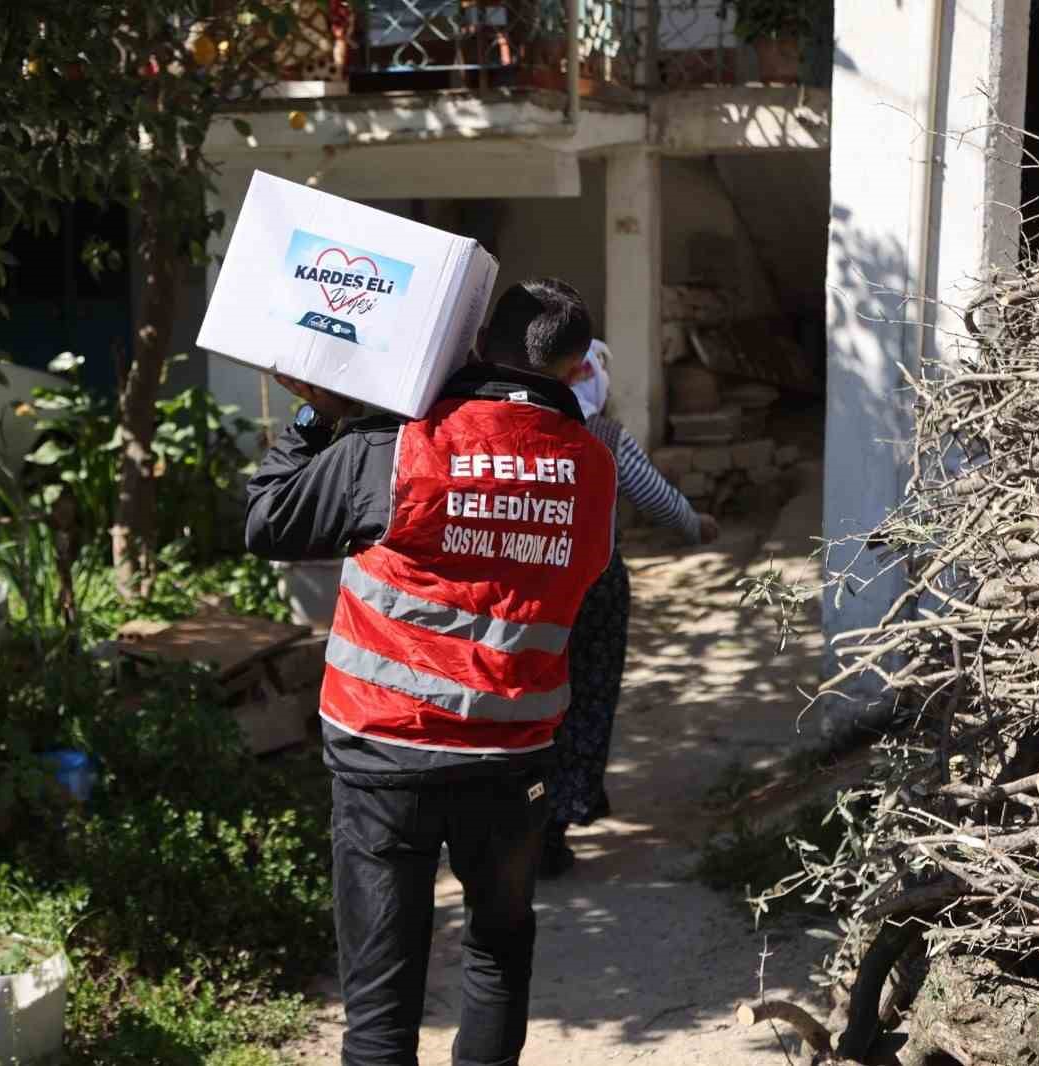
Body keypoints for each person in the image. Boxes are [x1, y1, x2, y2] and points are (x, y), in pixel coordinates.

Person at [245, 278, 620, 1066]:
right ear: (575, 366)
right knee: (498, 949)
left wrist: (320, 407)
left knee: (381, 999)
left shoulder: (399, 446)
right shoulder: (592, 466)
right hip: (512, 756)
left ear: (478, 344)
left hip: (384, 753)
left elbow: (267, 520)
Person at [541, 330, 720, 876]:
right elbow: (657, 497)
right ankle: (554, 824)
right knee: (583, 701)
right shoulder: (605, 436)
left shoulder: (514, 429)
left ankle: (509, 824)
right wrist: (696, 525)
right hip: (592, 592)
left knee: (526, 704)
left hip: (521, 585)